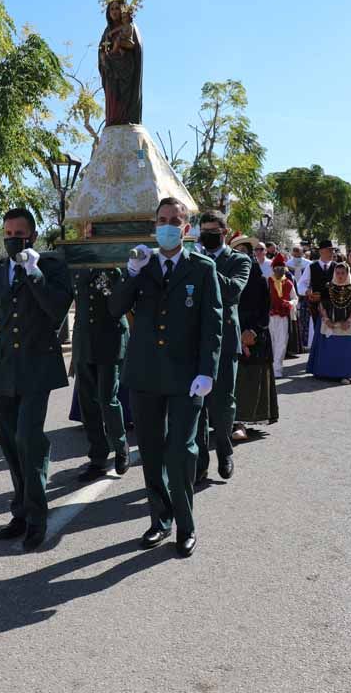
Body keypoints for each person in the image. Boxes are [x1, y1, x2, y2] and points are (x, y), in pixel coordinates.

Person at [0, 208, 73, 551]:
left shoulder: (51, 268)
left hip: (38, 369)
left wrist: (33, 271)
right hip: (5, 371)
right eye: (7, 234)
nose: (12, 239)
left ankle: (38, 517)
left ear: (32, 236)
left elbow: (56, 310)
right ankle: (20, 511)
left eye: (19, 234)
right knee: (9, 444)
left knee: (29, 440)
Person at [112, 197, 222, 558]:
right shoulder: (140, 265)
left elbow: (212, 325)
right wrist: (129, 273)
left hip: (185, 378)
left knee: (181, 451)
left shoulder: (203, 269)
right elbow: (115, 309)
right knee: (152, 452)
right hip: (144, 375)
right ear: (154, 225)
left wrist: (208, 371)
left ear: (186, 229)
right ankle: (160, 520)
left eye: (175, 220)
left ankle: (186, 525)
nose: (168, 225)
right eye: (162, 219)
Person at [194, 211, 251, 483]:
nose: (207, 236)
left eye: (213, 231)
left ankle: (225, 450)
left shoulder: (239, 260)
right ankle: (200, 461)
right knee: (198, 404)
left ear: (225, 232)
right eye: (203, 230)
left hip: (226, 339)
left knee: (223, 402)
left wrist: (205, 265)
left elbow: (233, 292)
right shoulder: (191, 259)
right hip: (194, 340)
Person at [70, 264, 130, 482]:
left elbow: (121, 304)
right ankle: (97, 458)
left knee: (107, 399)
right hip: (84, 342)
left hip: (110, 340)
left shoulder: (115, 267)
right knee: (87, 403)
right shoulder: (76, 268)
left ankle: (121, 447)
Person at [228, 235, 277, 433]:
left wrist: (253, 331)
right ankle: (231, 421)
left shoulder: (259, 278)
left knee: (251, 378)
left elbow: (265, 308)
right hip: (231, 331)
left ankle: (243, 419)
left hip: (255, 334)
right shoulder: (227, 276)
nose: (245, 255)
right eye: (239, 251)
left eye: (248, 252)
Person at [308, 262, 351, 383]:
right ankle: (327, 373)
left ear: (347, 274)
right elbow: (321, 305)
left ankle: (346, 374)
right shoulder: (328, 287)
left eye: (342, 273)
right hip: (330, 323)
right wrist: (327, 319)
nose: (340, 276)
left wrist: (349, 320)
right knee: (330, 348)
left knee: (347, 349)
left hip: (348, 324)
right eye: (337, 273)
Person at [297, 239, 336, 355]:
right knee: (318, 330)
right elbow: (301, 284)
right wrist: (307, 291)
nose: (332, 253)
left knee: (333, 330)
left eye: (332, 250)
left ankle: (331, 355)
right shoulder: (311, 267)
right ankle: (319, 356)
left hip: (334, 305)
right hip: (316, 305)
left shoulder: (337, 267)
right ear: (322, 251)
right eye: (329, 250)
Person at [267, 253, 295, 378]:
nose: (279, 270)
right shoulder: (267, 281)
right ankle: (270, 367)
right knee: (271, 341)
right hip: (269, 316)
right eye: (276, 268)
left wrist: (289, 303)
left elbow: (295, 298)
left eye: (281, 268)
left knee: (282, 342)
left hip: (283, 317)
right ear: (273, 269)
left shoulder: (289, 283)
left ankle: (277, 368)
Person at [288, 245, 312, 353]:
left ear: (303, 252)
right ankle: (294, 344)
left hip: (304, 295)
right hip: (291, 295)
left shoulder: (309, 264)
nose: (296, 253)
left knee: (304, 319)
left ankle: (304, 342)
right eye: (295, 251)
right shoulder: (287, 264)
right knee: (293, 319)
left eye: (299, 252)